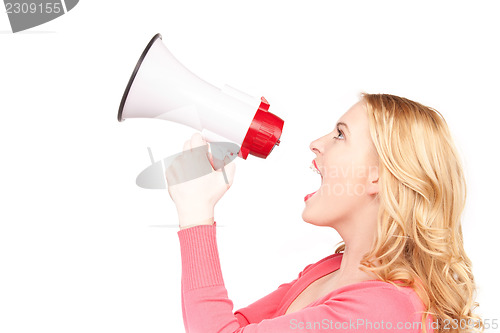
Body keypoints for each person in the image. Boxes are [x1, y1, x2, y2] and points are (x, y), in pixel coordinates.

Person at [165, 93, 483, 333]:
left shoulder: (384, 309)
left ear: (380, 175)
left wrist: (195, 214)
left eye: (340, 135)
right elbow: (231, 326)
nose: (316, 144)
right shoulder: (329, 270)